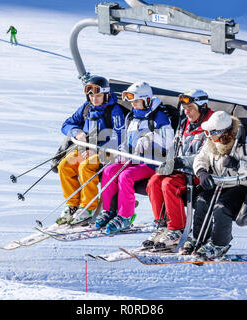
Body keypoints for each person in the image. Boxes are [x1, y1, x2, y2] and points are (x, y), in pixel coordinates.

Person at [184, 110, 247, 260]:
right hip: (219, 183)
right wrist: (201, 172)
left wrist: (238, 164)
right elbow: (200, 158)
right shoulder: (211, 142)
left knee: (221, 208)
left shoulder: (243, 145)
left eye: (211, 132)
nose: (207, 135)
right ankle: (199, 238)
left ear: (222, 132)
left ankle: (219, 244)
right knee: (202, 201)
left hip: (239, 186)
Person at [94, 81, 175, 234]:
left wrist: (151, 137)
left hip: (153, 162)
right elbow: (127, 139)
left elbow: (169, 141)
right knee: (109, 170)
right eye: (132, 102)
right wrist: (121, 152)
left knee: (126, 176)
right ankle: (110, 211)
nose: (134, 105)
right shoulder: (132, 117)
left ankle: (125, 216)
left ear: (147, 100)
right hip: (134, 158)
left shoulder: (159, 116)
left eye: (137, 101)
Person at [143, 89, 214, 249]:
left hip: (200, 172)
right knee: (154, 181)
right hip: (181, 168)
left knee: (169, 184)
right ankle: (162, 225)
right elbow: (174, 147)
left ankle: (177, 229)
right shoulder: (185, 123)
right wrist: (168, 161)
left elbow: (206, 156)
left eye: (191, 108)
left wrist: (179, 162)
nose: (187, 112)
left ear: (202, 107)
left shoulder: (211, 126)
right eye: (185, 108)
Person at [56, 76, 126, 225]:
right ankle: (72, 205)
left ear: (106, 95)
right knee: (64, 166)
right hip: (87, 148)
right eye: (91, 95)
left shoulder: (114, 111)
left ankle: (88, 207)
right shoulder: (87, 108)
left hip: (107, 151)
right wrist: (77, 132)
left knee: (85, 166)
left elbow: (120, 137)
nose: (94, 99)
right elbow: (67, 124)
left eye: (98, 95)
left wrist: (97, 150)